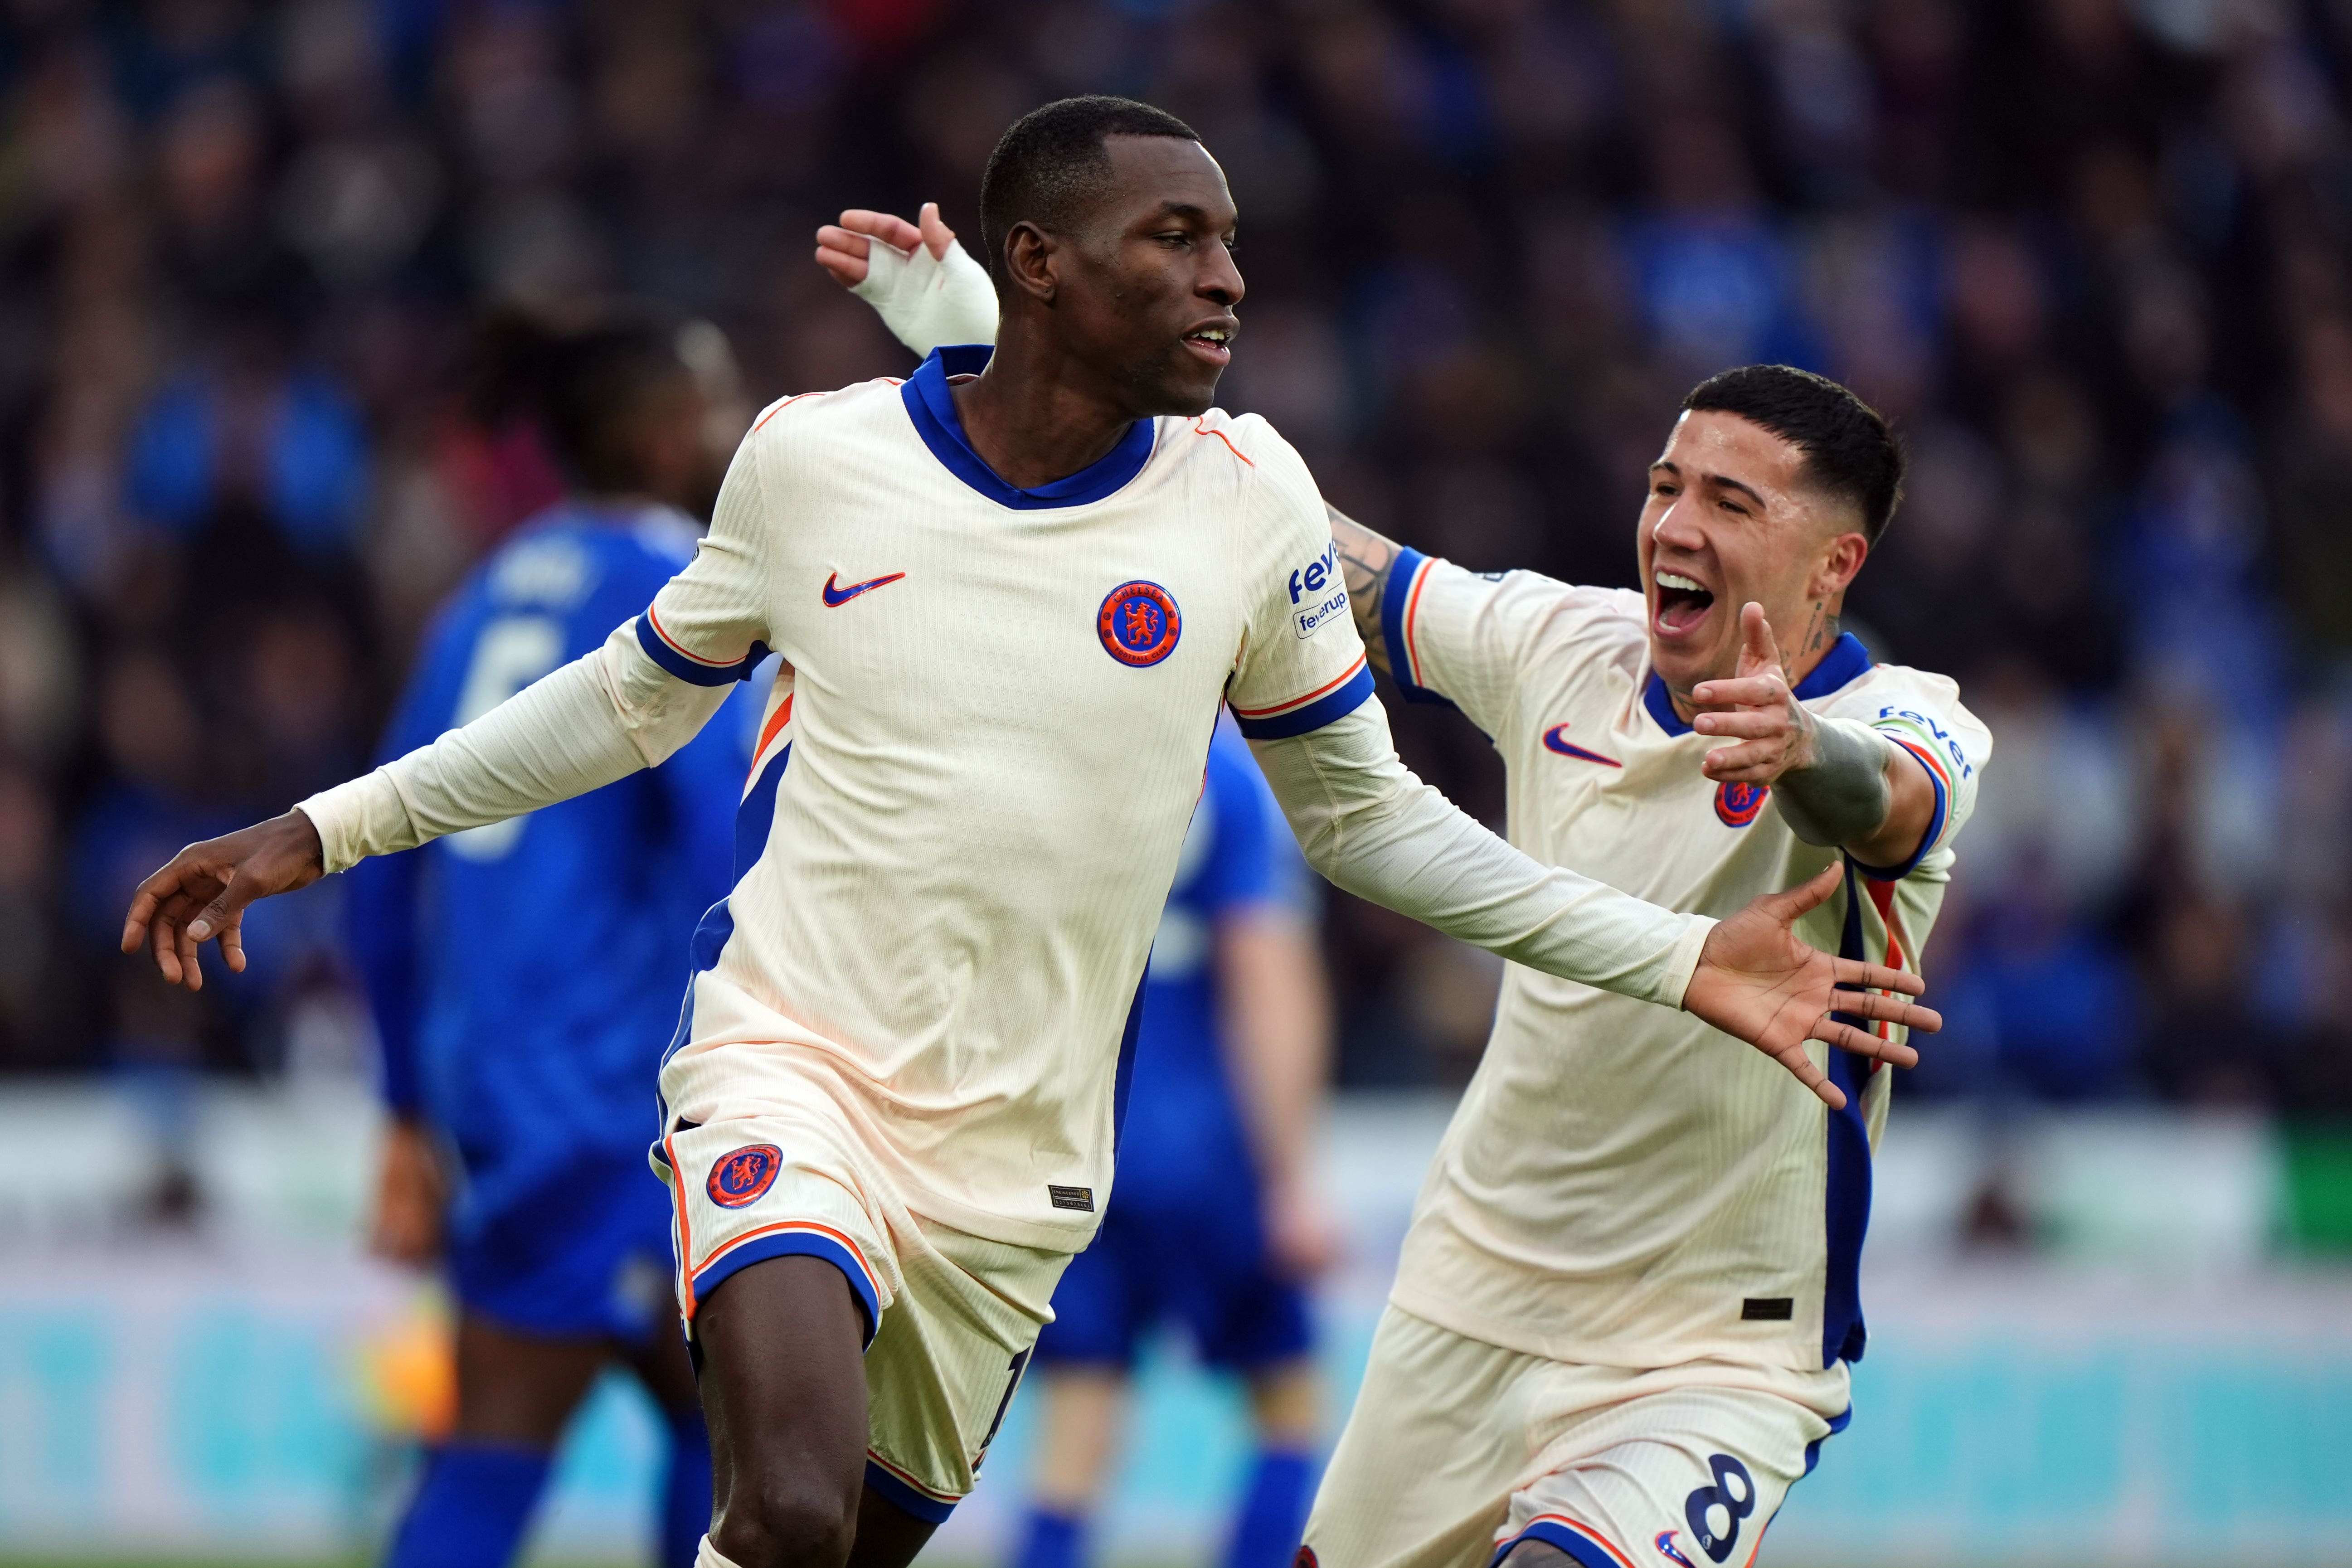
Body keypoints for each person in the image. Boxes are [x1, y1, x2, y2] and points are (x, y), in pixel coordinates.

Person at [122, 97, 1936, 1568]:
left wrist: (1686, 954)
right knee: (783, 1509)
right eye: (1180, 240)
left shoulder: (1243, 505)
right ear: (1043, 269)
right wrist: (318, 832)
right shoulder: (813, 460)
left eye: (1230, 239)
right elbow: (624, 699)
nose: (1229, 275)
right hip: (788, 1064)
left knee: (841, 1533)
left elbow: (1369, 821)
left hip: (1016, 1178)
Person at [833, 226, 1989, 1565]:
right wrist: (1003, 352)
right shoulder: (1564, 644)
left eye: (1732, 504)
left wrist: (1797, 746)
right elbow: (1293, 538)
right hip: (1466, 1298)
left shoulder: (1905, 717)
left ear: (1831, 568)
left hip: (1703, 1352)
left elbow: (1888, 800)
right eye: (1667, 485)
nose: (1673, 524)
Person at [351, 310, 754, 1568]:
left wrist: (408, 1109)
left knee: (726, 1431)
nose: (741, 429)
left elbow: (380, 871)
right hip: (624, 1090)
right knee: (720, 1451)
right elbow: (728, 847)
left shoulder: (487, 593)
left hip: (505, 1089)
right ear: (659, 429)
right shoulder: (680, 584)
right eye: (719, 401)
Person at [1011, 719, 1336, 1568]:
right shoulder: (1225, 777)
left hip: (1073, 1145)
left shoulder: (1058, 757)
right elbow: (1265, 975)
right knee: (1290, 1403)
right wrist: (1292, 1179)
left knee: (1076, 1425)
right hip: (1208, 1150)